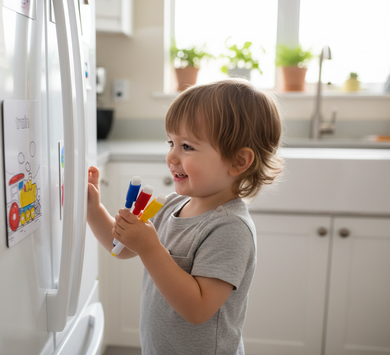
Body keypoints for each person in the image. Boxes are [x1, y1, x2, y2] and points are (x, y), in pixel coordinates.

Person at [87, 79, 283, 354]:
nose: (171, 157)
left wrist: (150, 247)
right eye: (171, 142)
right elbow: (120, 247)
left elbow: (198, 308)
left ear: (239, 161)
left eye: (187, 147)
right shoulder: (170, 205)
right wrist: (93, 210)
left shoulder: (230, 228)